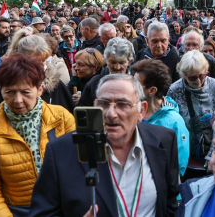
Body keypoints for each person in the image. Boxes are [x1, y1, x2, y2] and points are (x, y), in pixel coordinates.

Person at [28, 74, 180, 217]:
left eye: (123, 104)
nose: (111, 114)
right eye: (104, 103)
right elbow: (42, 213)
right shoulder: (61, 151)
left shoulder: (164, 140)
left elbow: (170, 202)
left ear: (142, 110)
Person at [0, 54, 75, 217]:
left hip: (65, 205)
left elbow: (80, 169)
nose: (17, 100)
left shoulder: (62, 117)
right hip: (18, 211)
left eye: (26, 92)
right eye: (9, 92)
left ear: (40, 89)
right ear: (1, 90)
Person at [0, 30, 74, 132]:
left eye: (44, 60)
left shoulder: (55, 85)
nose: (41, 66)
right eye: (34, 61)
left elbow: (69, 127)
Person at [167, 50, 215, 179]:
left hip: (212, 146)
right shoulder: (174, 90)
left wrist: (213, 153)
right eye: (192, 77)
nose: (198, 81)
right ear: (183, 74)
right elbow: (172, 124)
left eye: (202, 75)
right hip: (186, 152)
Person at [132, 59, 189, 177]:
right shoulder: (132, 112)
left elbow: (178, 166)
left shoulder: (174, 121)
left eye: (136, 85)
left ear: (152, 90)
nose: (132, 88)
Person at [78, 37, 135, 107]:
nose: (117, 67)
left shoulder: (138, 80)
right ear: (106, 60)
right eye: (112, 62)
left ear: (130, 61)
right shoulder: (94, 83)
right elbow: (83, 113)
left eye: (122, 62)